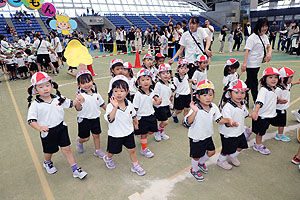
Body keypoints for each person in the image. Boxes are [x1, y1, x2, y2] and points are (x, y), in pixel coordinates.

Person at [27, 72, 88, 179]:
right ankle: (47, 162)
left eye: (47, 85)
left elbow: (71, 103)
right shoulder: (35, 105)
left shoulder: (58, 98)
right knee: (49, 151)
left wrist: (79, 100)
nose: (45, 88)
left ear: (51, 85)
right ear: (35, 90)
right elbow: (31, 120)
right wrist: (40, 128)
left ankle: (75, 170)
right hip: (47, 132)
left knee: (67, 149)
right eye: (41, 86)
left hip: (61, 128)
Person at [184, 80, 237, 181]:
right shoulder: (195, 108)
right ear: (197, 97)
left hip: (207, 135)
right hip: (196, 137)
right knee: (196, 156)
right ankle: (194, 169)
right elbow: (188, 122)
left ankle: (201, 163)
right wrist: (194, 112)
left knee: (211, 152)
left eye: (210, 94)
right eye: (204, 95)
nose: (208, 97)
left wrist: (229, 120)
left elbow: (219, 119)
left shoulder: (213, 107)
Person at [103, 75, 146, 176]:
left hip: (128, 133)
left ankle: (135, 166)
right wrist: (115, 107)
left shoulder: (129, 104)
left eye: (122, 90)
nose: (119, 93)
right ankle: (108, 158)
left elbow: (133, 114)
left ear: (127, 92)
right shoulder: (110, 106)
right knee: (113, 151)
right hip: (115, 134)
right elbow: (110, 119)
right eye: (116, 90)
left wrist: (136, 122)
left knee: (132, 150)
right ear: (112, 92)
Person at [251, 67, 287, 155]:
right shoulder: (263, 90)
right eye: (270, 77)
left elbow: (273, 97)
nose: (274, 79)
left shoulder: (273, 89)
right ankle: (258, 145)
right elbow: (259, 102)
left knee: (263, 128)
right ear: (264, 79)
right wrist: (255, 112)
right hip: (262, 115)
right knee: (260, 132)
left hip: (269, 114)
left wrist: (279, 100)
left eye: (275, 77)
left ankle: (249, 130)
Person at [218, 79, 250, 170]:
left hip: (239, 131)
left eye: (242, 93)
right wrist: (230, 122)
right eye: (236, 92)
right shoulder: (228, 107)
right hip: (228, 133)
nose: (240, 95)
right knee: (226, 150)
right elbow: (225, 120)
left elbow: (245, 113)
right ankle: (221, 160)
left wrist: (252, 115)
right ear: (229, 93)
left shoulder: (242, 103)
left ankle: (232, 156)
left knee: (241, 146)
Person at [74, 70, 107, 158]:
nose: (86, 84)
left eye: (88, 81)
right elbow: (78, 109)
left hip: (95, 118)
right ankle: (79, 141)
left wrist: (109, 112)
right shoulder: (80, 95)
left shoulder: (96, 94)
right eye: (83, 83)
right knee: (86, 138)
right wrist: (78, 101)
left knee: (96, 135)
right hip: (84, 119)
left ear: (92, 81)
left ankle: (98, 150)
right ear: (79, 85)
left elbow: (102, 104)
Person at [242, 18, 272, 102]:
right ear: (258, 26)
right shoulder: (252, 38)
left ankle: (239, 92)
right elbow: (247, 51)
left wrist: (269, 53)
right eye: (263, 26)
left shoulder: (265, 36)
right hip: (251, 64)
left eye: (266, 26)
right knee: (254, 83)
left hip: (258, 64)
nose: (264, 28)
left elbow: (269, 46)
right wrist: (244, 64)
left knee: (249, 82)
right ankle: (257, 101)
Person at [133, 69, 162, 158]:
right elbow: (135, 109)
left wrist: (158, 102)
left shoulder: (152, 91)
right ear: (138, 82)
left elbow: (152, 102)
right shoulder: (138, 94)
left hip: (151, 115)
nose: (145, 82)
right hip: (142, 117)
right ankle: (144, 149)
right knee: (144, 134)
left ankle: (141, 135)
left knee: (152, 130)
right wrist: (135, 122)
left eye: (148, 79)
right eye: (143, 80)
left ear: (151, 80)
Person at [274, 67, 300, 142]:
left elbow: (291, 84)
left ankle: (280, 134)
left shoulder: (286, 85)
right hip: (278, 109)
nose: (291, 79)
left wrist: (297, 82)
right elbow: (274, 99)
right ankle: (280, 135)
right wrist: (279, 101)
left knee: (280, 122)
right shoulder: (278, 89)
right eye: (290, 77)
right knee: (282, 123)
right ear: (282, 78)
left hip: (282, 108)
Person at [153, 64, 173, 141]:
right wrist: (157, 99)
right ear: (159, 74)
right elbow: (155, 94)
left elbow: (168, 94)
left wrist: (170, 99)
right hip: (160, 106)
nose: (165, 75)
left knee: (164, 121)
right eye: (163, 73)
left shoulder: (169, 84)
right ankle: (157, 131)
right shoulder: (158, 84)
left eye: (167, 73)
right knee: (165, 121)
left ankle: (161, 132)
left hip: (166, 105)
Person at [172, 59, 191, 127]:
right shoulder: (176, 78)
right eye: (181, 68)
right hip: (179, 95)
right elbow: (173, 87)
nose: (183, 70)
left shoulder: (186, 75)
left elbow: (187, 80)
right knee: (179, 110)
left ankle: (185, 121)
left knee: (186, 109)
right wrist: (172, 94)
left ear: (188, 69)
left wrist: (192, 81)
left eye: (185, 68)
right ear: (178, 69)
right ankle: (174, 115)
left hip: (187, 94)